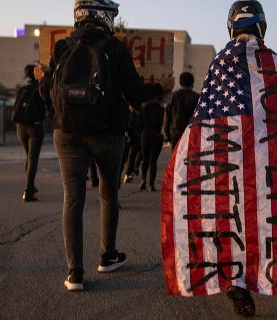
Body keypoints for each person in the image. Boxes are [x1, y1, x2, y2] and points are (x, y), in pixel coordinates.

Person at [161, 1, 277, 317]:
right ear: (261, 26)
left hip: (224, 156)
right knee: (262, 218)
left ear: (231, 27)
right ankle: (265, 271)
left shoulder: (219, 63)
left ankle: (234, 278)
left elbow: (204, 114)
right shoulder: (273, 61)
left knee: (228, 215)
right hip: (265, 158)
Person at [35, 0, 174, 291]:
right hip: (107, 134)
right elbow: (135, 96)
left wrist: (41, 79)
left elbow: (48, 95)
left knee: (72, 199)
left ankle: (75, 273)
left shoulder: (62, 47)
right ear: (104, 17)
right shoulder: (115, 49)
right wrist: (161, 87)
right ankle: (107, 255)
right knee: (109, 193)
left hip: (67, 133)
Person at [13, 64, 46, 202]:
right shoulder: (40, 89)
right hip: (35, 127)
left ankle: (30, 185)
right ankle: (28, 191)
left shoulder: (22, 90)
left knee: (29, 157)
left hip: (20, 127)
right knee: (33, 158)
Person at [164, 72, 200, 148]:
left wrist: (167, 134)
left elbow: (167, 117)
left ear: (180, 83)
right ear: (192, 84)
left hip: (176, 133)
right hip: (192, 133)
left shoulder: (172, 96)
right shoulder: (197, 97)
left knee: (177, 158)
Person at [139, 97, 165, 192]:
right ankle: (151, 184)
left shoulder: (144, 109)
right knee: (153, 161)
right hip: (156, 134)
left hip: (145, 135)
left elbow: (139, 124)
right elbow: (163, 122)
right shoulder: (161, 109)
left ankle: (143, 179)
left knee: (145, 159)